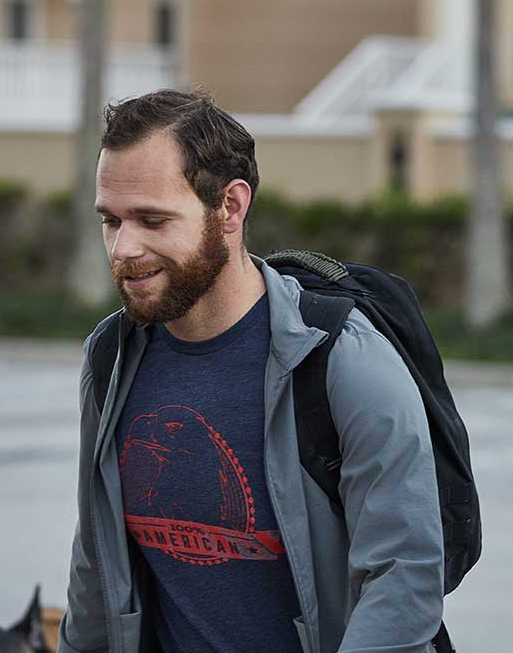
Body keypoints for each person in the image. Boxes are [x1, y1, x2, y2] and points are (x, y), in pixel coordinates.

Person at [58, 89, 445, 653]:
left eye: (151, 220)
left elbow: (403, 578)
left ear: (231, 208)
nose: (123, 248)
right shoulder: (110, 357)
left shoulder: (340, 357)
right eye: (111, 221)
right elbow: (97, 562)